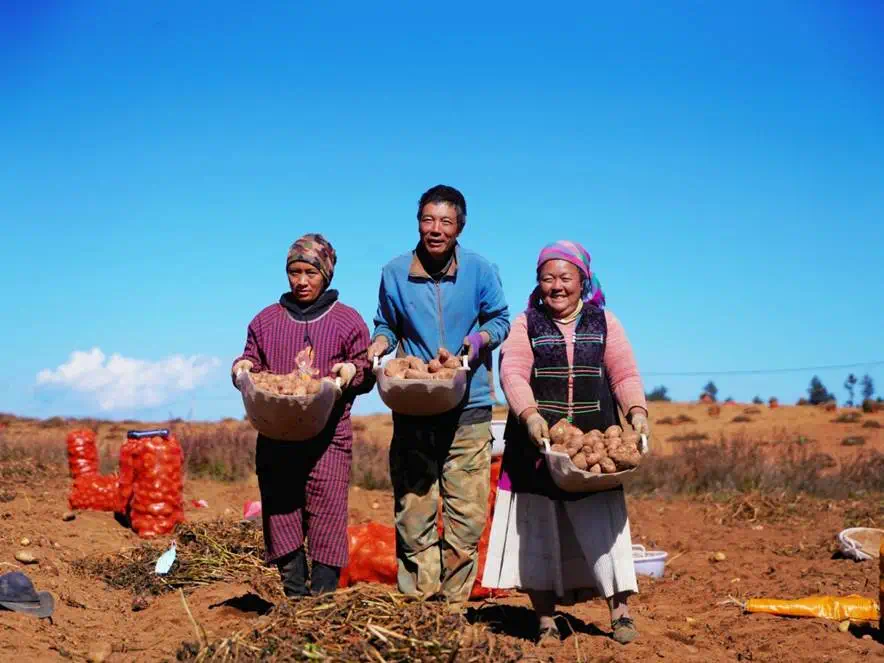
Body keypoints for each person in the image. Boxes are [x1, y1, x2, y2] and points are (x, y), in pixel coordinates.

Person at [481, 240, 650, 645]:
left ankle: (621, 613)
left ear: (583, 280)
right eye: (547, 278)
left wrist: (637, 412)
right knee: (537, 529)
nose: (556, 286)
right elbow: (513, 372)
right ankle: (545, 619)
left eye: (565, 278)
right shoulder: (526, 323)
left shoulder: (604, 321)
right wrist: (530, 415)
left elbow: (624, 373)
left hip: (595, 444)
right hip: (536, 447)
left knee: (603, 527)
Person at [366, 184, 510, 611]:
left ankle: (453, 609)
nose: (436, 229)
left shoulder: (480, 270)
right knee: (414, 514)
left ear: (459, 227)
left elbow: (500, 319)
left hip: (469, 407)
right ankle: (420, 608)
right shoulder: (394, 272)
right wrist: (380, 344)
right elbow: (386, 323)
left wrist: (477, 341)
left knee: (466, 519)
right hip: (415, 406)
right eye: (428, 219)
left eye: (445, 222)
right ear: (418, 224)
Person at [232, 233, 374, 598]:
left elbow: (365, 368)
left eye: (310, 273)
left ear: (325, 274)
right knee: (281, 511)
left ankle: (321, 601)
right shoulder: (266, 321)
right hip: (276, 435)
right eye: (294, 272)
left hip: (329, 437)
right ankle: (294, 596)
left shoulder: (347, 320)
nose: (301, 281)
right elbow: (251, 360)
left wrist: (352, 372)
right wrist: (241, 367)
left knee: (327, 513)